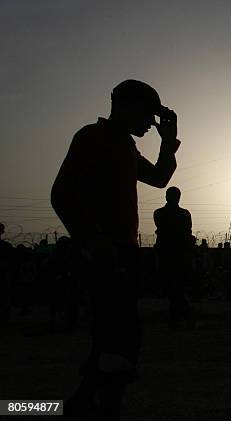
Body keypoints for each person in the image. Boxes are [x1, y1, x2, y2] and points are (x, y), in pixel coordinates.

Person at [51, 79, 180, 420]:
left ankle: (84, 404)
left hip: (121, 253)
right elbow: (61, 195)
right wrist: (92, 240)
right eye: (148, 116)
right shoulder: (92, 138)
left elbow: (159, 178)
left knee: (112, 337)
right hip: (102, 254)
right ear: (124, 106)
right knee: (120, 337)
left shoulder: (125, 146)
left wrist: (168, 143)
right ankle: (101, 407)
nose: (150, 125)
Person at [154, 187, 193, 329]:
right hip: (179, 255)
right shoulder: (184, 214)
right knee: (177, 287)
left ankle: (178, 316)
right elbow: (187, 234)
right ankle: (182, 315)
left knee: (172, 287)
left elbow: (163, 230)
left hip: (167, 254)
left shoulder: (159, 213)